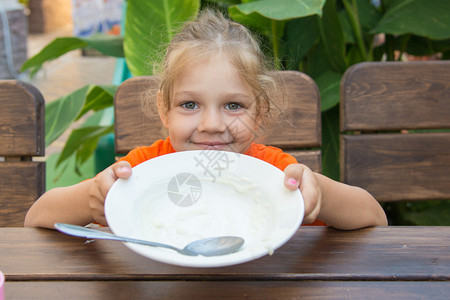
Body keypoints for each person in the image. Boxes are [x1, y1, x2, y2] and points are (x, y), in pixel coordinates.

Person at [24, 10, 387, 230]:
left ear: (259, 113)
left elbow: (374, 218)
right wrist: (90, 197)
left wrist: (318, 191)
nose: (212, 124)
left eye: (233, 106)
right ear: (164, 110)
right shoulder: (143, 170)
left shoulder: (275, 174)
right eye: (189, 105)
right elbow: (37, 218)